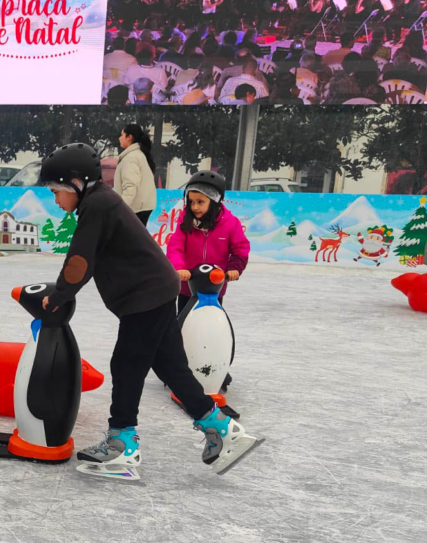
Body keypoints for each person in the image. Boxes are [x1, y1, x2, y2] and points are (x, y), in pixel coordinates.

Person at [36, 144, 261, 480]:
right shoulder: (100, 201)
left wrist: (58, 295)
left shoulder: (97, 205)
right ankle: (224, 430)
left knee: (126, 366)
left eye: (56, 192)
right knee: (171, 367)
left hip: (145, 297)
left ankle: (122, 446)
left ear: (75, 183)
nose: (55, 200)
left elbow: (80, 260)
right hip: (155, 291)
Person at [166, 170, 250, 317]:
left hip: (215, 285)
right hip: (188, 286)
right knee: (184, 319)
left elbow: (240, 249)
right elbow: (175, 247)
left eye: (200, 202)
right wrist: (179, 268)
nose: (194, 207)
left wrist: (234, 268)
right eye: (191, 202)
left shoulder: (230, 223)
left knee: (210, 320)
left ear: (215, 201)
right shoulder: (186, 222)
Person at [112, 124, 158, 225]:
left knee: (130, 239)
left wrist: (120, 208)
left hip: (136, 208)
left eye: (122, 135)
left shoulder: (131, 158)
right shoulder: (137, 155)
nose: (119, 138)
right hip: (141, 206)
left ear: (129, 137)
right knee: (135, 239)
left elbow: (130, 187)